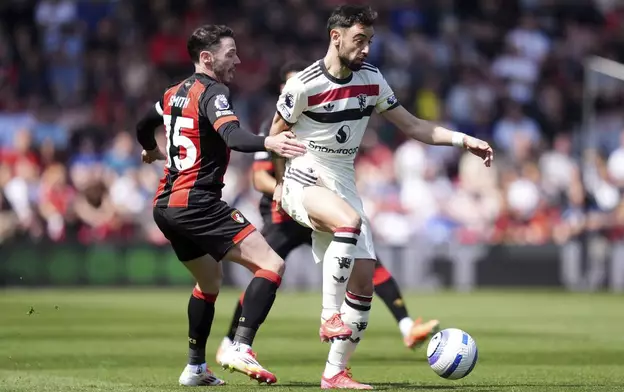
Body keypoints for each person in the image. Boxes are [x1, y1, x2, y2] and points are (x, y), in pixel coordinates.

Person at [269, 5, 494, 389]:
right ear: (335, 37)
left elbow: (412, 125)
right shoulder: (303, 85)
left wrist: (463, 140)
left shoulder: (372, 80)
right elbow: (275, 137)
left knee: (363, 285)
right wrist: (279, 183)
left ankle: (334, 373)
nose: (367, 49)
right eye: (360, 40)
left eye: (370, 41)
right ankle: (328, 315)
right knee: (349, 223)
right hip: (303, 178)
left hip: (343, 183)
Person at [216, 61, 440, 364]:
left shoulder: (325, 116)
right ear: (284, 89)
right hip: (284, 215)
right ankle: (231, 342)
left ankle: (406, 326)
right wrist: (280, 189)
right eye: (291, 83)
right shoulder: (273, 127)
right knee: (266, 271)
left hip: (319, 205)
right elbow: (258, 178)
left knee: (368, 262)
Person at [135, 24, 306, 387]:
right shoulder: (214, 93)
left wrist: (150, 148)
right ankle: (239, 346)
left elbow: (143, 123)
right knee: (272, 264)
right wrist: (269, 142)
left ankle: (195, 368)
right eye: (231, 53)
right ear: (207, 58)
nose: (238, 60)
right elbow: (234, 137)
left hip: (165, 205)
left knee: (210, 280)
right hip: (197, 202)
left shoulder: (171, 93)